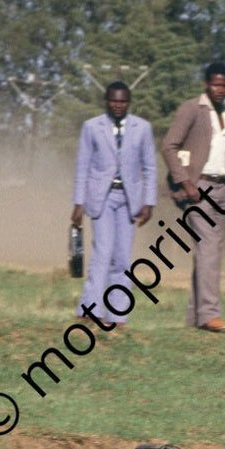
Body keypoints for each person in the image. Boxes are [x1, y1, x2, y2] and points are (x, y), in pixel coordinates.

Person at [71, 82, 155, 330]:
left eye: (123, 101)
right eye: (113, 100)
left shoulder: (143, 128)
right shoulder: (92, 127)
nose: (118, 105)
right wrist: (78, 202)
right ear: (106, 101)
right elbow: (82, 166)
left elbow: (150, 167)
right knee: (102, 253)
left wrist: (149, 202)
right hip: (102, 197)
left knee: (122, 259)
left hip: (129, 199)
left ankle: (117, 316)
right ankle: (90, 310)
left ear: (129, 102)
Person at [163, 62, 225, 332]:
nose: (220, 89)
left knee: (209, 251)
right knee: (208, 247)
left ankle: (195, 317)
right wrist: (185, 181)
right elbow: (169, 146)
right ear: (206, 84)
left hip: (222, 187)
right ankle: (209, 313)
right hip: (199, 187)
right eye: (216, 84)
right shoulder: (192, 108)